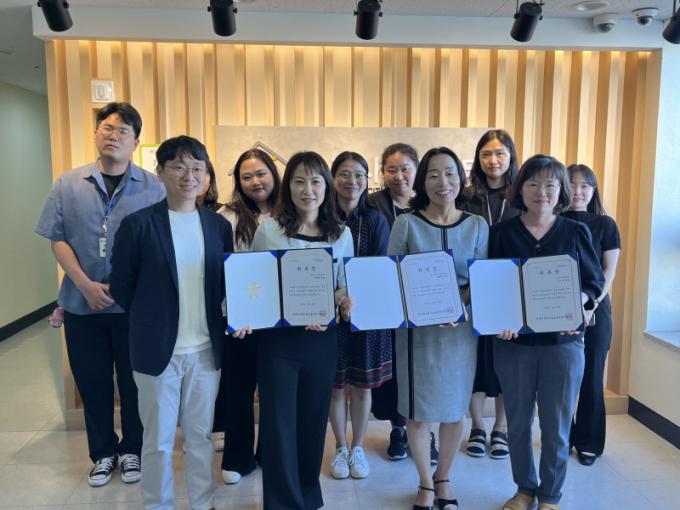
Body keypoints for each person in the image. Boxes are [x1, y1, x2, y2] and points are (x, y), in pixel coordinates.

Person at [34, 102, 164, 487]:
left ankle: (132, 450)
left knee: (135, 385)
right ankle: (103, 453)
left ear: (135, 142)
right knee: (92, 384)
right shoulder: (68, 183)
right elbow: (57, 238)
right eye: (107, 128)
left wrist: (126, 289)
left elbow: (157, 246)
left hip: (133, 309)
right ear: (95, 134)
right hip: (81, 305)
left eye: (123, 131)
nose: (114, 136)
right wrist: (84, 285)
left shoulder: (153, 187)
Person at [109, 135, 234, 510]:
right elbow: (122, 287)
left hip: (206, 351)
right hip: (156, 351)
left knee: (200, 437)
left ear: (206, 176)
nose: (189, 175)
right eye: (178, 167)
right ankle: (157, 504)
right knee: (158, 440)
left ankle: (203, 502)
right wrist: (153, 318)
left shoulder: (217, 226)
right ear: (160, 172)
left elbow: (226, 284)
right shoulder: (137, 225)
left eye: (197, 168)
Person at [239, 151, 353, 510]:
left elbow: (342, 285)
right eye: (299, 181)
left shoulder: (341, 234)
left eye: (316, 181)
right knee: (279, 424)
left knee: (313, 420)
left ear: (327, 186)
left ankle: (307, 495)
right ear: (288, 187)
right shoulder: (269, 230)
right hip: (279, 342)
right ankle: (282, 502)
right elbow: (254, 283)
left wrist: (338, 302)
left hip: (321, 340)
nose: (308, 189)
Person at [490, 155, 604, 510]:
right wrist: (498, 318)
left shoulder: (575, 231)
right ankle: (524, 489)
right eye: (533, 184)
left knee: (556, 426)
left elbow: (593, 282)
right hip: (514, 345)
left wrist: (578, 305)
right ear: (520, 189)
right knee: (518, 424)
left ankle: (551, 495)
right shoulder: (502, 233)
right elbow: (492, 284)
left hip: (563, 345)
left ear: (561, 191)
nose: (542, 191)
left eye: (550, 185)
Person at [388, 147, 488, 510]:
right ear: (422, 181)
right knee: (418, 411)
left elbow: (481, 277)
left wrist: (457, 302)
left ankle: (444, 477)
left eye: (449, 173)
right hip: (417, 334)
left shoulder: (477, 225)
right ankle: (425, 483)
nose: (442, 182)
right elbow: (393, 274)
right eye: (433, 174)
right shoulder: (406, 223)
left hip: (459, 332)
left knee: (454, 408)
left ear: (461, 179)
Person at [212, 149, 281, 484]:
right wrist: (233, 314)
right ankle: (238, 458)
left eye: (261, 173)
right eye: (247, 176)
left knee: (274, 391)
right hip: (240, 321)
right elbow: (220, 270)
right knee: (238, 391)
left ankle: (270, 453)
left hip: (280, 321)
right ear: (238, 182)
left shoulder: (289, 213)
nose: (256, 181)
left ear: (273, 175)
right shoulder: (225, 217)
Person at [369, 143, 438, 464]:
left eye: (405, 169)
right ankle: (398, 430)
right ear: (383, 173)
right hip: (387, 301)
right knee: (395, 370)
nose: (398, 176)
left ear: (417, 170)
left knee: (424, 369)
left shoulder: (430, 202)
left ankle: (427, 433)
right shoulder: (373, 205)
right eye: (391, 170)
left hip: (425, 299)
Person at [328, 151, 392, 480]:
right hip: (332, 316)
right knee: (337, 388)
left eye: (359, 175)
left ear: (367, 180)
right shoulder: (323, 217)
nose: (351, 181)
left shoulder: (376, 219)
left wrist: (356, 299)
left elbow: (380, 268)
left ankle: (358, 447)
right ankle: (340, 447)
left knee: (363, 388)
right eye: (344, 174)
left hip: (368, 316)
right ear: (332, 178)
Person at [461, 129, 520, 460]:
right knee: (475, 362)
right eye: (486, 154)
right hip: (473, 290)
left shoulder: (522, 197)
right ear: (478, 159)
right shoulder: (467, 197)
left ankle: (501, 427)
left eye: (499, 153)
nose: (493, 160)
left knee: (506, 361)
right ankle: (477, 427)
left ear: (511, 156)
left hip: (509, 290)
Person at [563, 164, 621, 467]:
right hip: (557, 310)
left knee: (592, 374)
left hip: (596, 309)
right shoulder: (553, 222)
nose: (578, 191)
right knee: (560, 376)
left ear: (593, 190)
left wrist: (589, 305)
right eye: (571, 184)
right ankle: (562, 437)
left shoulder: (605, 224)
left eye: (585, 185)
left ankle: (589, 442)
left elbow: (609, 271)